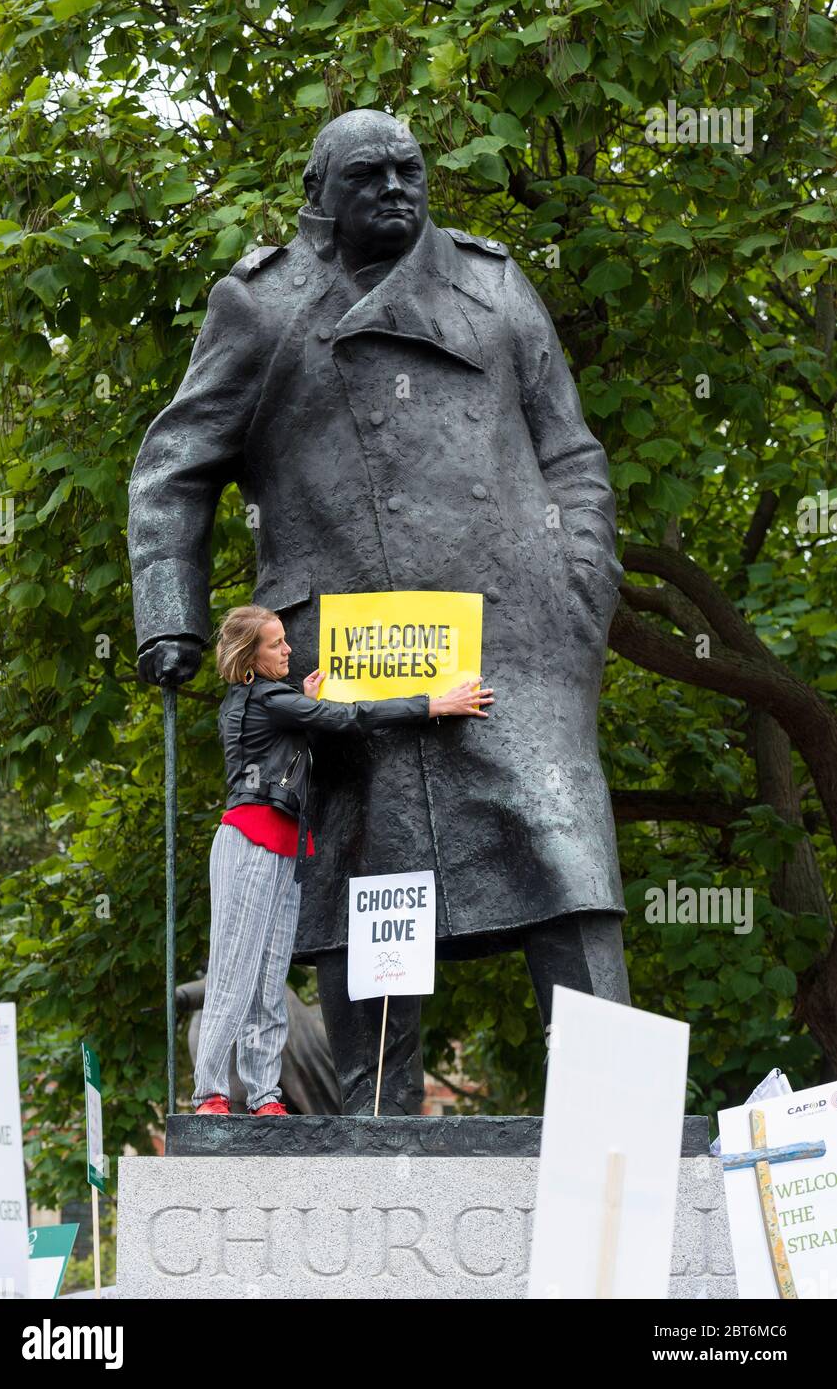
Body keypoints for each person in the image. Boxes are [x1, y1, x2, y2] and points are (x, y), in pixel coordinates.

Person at [129, 108, 630, 1117]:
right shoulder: (262, 307)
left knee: (565, 851)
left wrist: (582, 583)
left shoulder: (492, 286)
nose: (398, 187)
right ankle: (373, 1128)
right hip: (342, 648)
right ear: (323, 192)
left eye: (411, 169)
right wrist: (171, 616)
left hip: (512, 631)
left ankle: (616, 1110)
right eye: (370, 175)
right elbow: (172, 471)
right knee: (366, 889)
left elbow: (572, 454)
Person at [192, 603, 494, 1116]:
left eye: (285, 639)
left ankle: (265, 1094)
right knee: (235, 970)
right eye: (276, 643)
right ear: (250, 656)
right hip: (249, 840)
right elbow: (349, 716)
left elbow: (285, 739)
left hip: (283, 844)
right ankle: (209, 1093)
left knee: (269, 978)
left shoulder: (267, 700)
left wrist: (301, 703)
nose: (288, 649)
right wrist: (433, 705)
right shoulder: (265, 697)